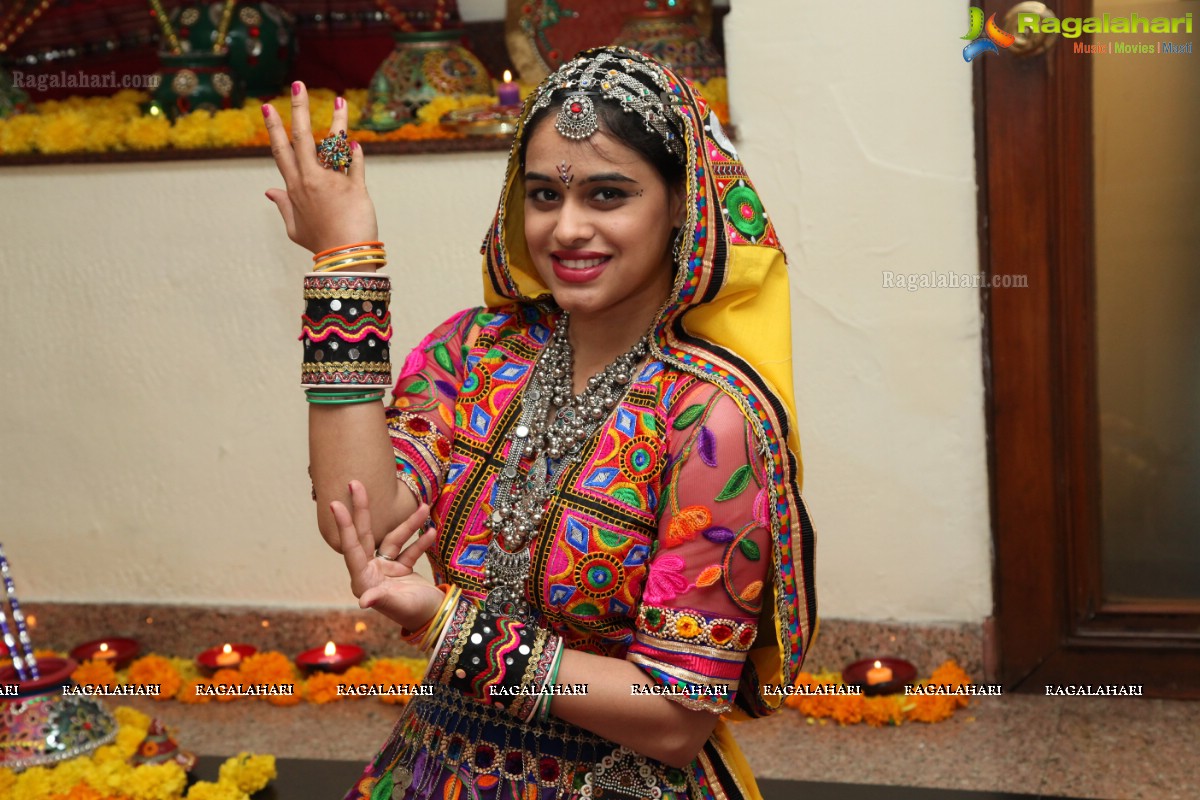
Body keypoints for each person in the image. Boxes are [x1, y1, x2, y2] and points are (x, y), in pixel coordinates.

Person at [264, 46, 816, 800]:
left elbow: (676, 719)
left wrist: (451, 631)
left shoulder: (712, 420)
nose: (568, 229)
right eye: (545, 196)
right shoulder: (474, 351)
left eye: (608, 194)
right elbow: (362, 516)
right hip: (435, 769)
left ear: (683, 205)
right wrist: (342, 259)